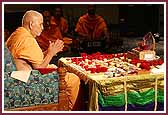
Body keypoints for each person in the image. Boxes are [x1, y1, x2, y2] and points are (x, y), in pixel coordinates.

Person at [6, 10, 80, 110]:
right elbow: (40, 68)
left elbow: (33, 59)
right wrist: (51, 53)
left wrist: (47, 51)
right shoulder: (27, 39)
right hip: (30, 80)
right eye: (40, 24)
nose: (42, 27)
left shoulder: (17, 34)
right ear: (31, 24)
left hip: (18, 77)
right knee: (73, 79)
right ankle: (67, 109)